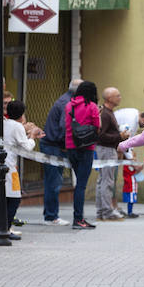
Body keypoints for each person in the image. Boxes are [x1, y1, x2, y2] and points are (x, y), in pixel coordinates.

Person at [40, 79, 82, 226]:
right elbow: (65, 126)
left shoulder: (67, 100)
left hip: (54, 144)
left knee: (53, 181)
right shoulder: (67, 103)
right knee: (53, 182)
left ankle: (51, 215)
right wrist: (67, 145)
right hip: (54, 146)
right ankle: (51, 217)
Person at [3, 100, 41, 238]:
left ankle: (3, 226)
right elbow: (27, 147)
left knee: (5, 198)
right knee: (14, 198)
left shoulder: (4, 123)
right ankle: (5, 228)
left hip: (2, 164)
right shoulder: (17, 126)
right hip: (10, 166)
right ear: (22, 114)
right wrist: (32, 136)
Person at [66, 81, 101, 230]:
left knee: (78, 183)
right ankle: (78, 219)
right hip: (86, 147)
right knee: (81, 185)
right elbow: (97, 127)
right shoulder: (92, 106)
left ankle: (78, 217)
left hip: (71, 146)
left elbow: (67, 125)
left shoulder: (70, 105)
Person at [96, 88, 129, 221]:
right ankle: (106, 211)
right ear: (109, 98)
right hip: (106, 149)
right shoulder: (105, 114)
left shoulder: (108, 112)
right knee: (107, 181)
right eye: (117, 95)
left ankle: (102, 211)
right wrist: (120, 136)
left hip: (107, 149)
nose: (120, 97)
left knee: (103, 180)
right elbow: (101, 135)